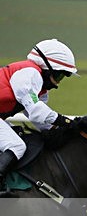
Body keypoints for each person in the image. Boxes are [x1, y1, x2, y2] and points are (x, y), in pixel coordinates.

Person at [0, 39, 79, 197]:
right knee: (16, 146)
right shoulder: (29, 73)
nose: (57, 83)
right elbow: (36, 111)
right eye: (58, 75)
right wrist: (65, 121)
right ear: (47, 68)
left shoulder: (41, 89)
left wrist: (59, 131)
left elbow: (39, 120)